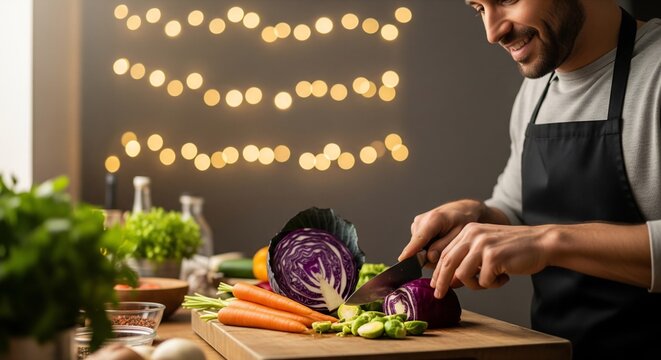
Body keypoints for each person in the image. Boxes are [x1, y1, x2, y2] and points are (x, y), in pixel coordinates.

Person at [398, 1, 661, 358]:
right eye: (479, 8)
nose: (493, 33)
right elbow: (517, 207)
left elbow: (536, 238)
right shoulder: (537, 90)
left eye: (507, 0)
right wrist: (477, 215)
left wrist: (548, 242)